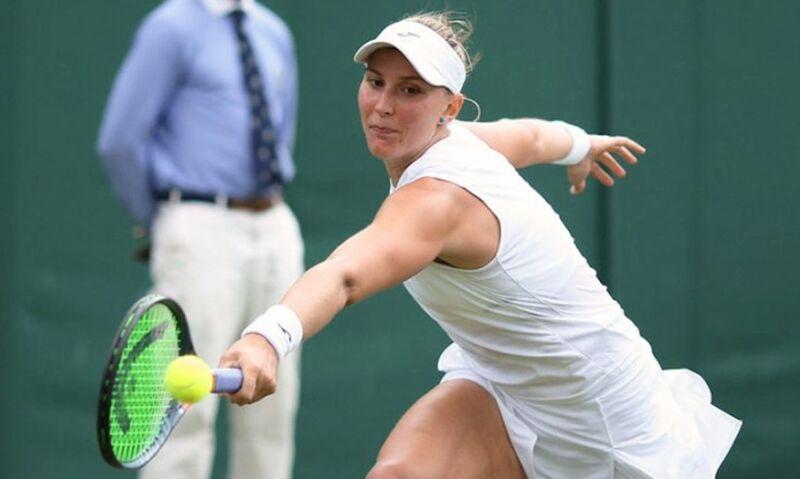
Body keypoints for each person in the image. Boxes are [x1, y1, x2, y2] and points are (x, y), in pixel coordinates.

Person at [220, 12, 742, 479]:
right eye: (375, 82)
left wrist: (268, 338)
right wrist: (583, 145)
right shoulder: (464, 139)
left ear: (449, 105)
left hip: (598, 417)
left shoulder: (436, 200)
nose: (382, 106)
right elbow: (533, 138)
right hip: (502, 384)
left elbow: (345, 274)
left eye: (410, 91)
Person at [96, 0, 301, 478]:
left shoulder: (273, 31)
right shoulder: (170, 27)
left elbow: (282, 127)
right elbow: (120, 141)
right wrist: (166, 218)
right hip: (200, 224)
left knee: (273, 398)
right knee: (184, 402)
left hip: (274, 224)